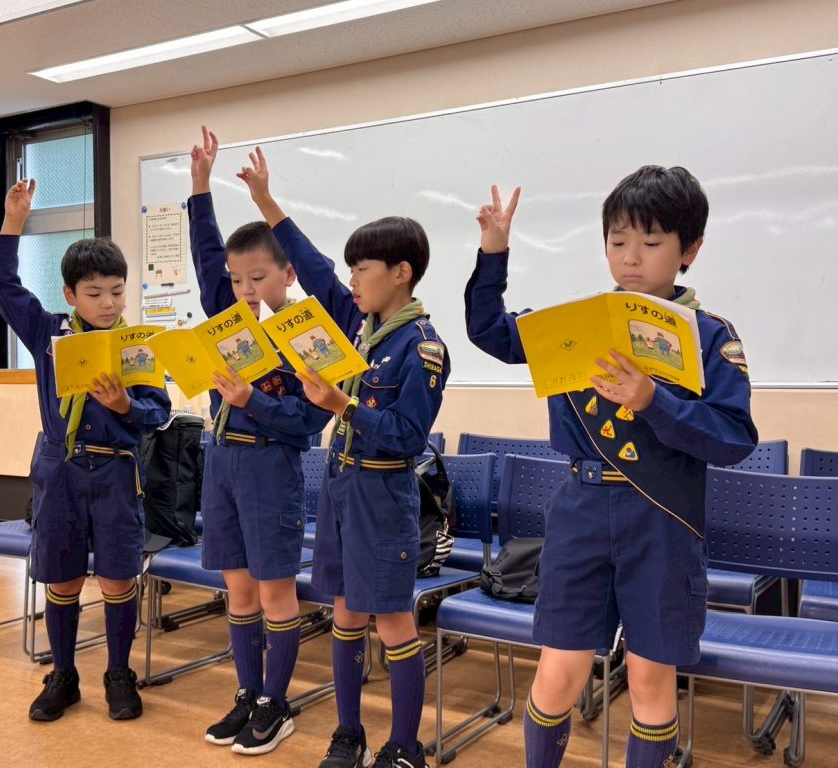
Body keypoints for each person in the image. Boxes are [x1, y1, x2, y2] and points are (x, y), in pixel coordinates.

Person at [464, 166, 757, 767]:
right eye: (617, 241)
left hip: (663, 517)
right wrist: (493, 252)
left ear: (690, 250)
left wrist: (653, 401)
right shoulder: (576, 323)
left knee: (650, 679)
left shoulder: (709, 336)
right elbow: (488, 330)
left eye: (651, 242)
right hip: (581, 510)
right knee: (557, 672)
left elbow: (733, 438)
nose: (631, 257)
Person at [239, 146, 449, 768]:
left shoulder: (422, 346)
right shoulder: (358, 330)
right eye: (351, 270)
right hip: (341, 487)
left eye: (364, 269)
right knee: (345, 615)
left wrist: (342, 406)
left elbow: (407, 435)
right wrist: (266, 203)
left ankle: (405, 745)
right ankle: (349, 733)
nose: (352, 281)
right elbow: (311, 265)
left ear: (401, 273)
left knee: (393, 623)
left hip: (383, 493)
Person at [0, 179, 171, 722]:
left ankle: (119, 674)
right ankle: (63, 675)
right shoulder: (48, 334)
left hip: (116, 472)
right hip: (60, 467)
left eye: (117, 291)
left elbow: (158, 414)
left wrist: (124, 405)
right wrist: (13, 222)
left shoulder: (139, 345)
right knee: (63, 576)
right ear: (70, 295)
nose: (109, 303)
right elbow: (4, 285)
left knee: (118, 577)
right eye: (95, 293)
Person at [189, 127, 333, 755]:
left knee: (275, 591)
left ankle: (277, 702)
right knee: (239, 589)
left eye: (257, 278)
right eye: (236, 280)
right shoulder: (229, 317)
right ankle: (248, 694)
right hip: (221, 463)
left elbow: (310, 422)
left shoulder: (307, 332)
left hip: (272, 468)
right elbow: (204, 256)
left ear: (287, 274)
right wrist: (200, 186)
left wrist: (254, 401)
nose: (245, 291)